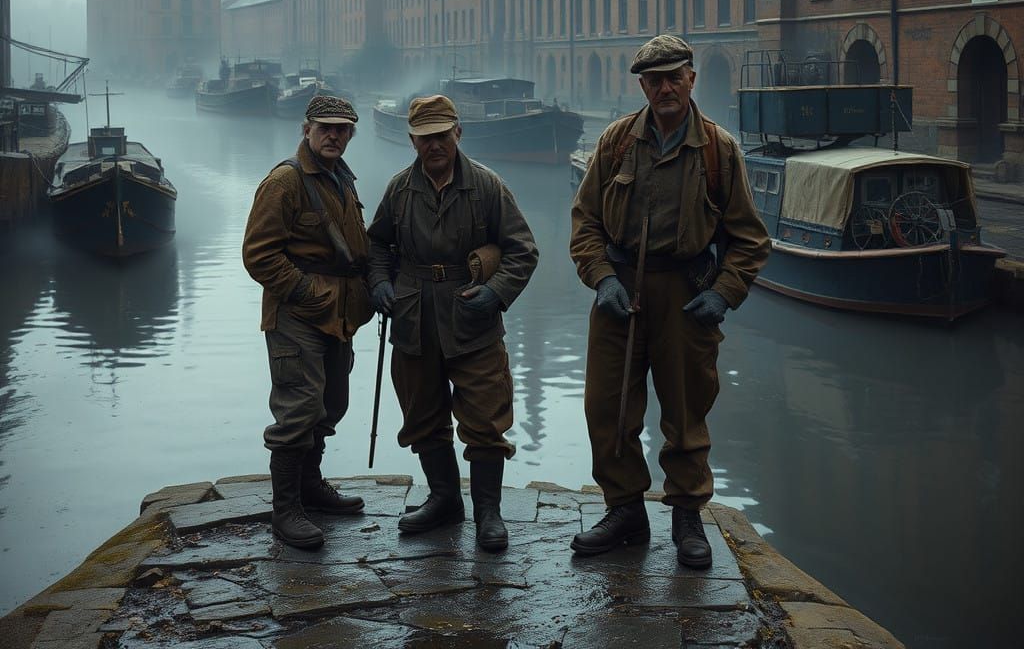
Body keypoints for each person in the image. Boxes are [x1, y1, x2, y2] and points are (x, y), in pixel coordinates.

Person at [569, 35, 770, 569]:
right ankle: (625, 509)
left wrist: (723, 295)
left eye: (673, 77)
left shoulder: (718, 150)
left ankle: (686, 515)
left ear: (691, 80)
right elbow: (585, 221)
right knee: (607, 408)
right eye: (653, 80)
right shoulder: (614, 143)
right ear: (642, 86)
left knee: (686, 410)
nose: (664, 88)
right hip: (619, 295)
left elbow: (750, 238)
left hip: (686, 295)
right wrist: (602, 278)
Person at [367, 94, 538, 551]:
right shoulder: (399, 190)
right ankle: (444, 500)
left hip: (473, 317)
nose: (435, 145)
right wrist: (380, 283)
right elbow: (377, 245)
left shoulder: (488, 187)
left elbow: (523, 251)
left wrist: (496, 293)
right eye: (425, 138)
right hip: (414, 317)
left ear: (457, 134)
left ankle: (488, 513)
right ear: (412, 141)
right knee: (423, 416)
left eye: (442, 135)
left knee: (485, 418)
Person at [242, 94, 375, 550]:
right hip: (298, 314)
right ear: (307, 130)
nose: (334, 135)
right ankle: (287, 510)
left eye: (343, 129)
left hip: (339, 314)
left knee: (331, 404)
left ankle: (312, 487)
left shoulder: (342, 179)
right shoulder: (285, 181)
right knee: (297, 410)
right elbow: (259, 255)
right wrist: (305, 292)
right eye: (326, 128)